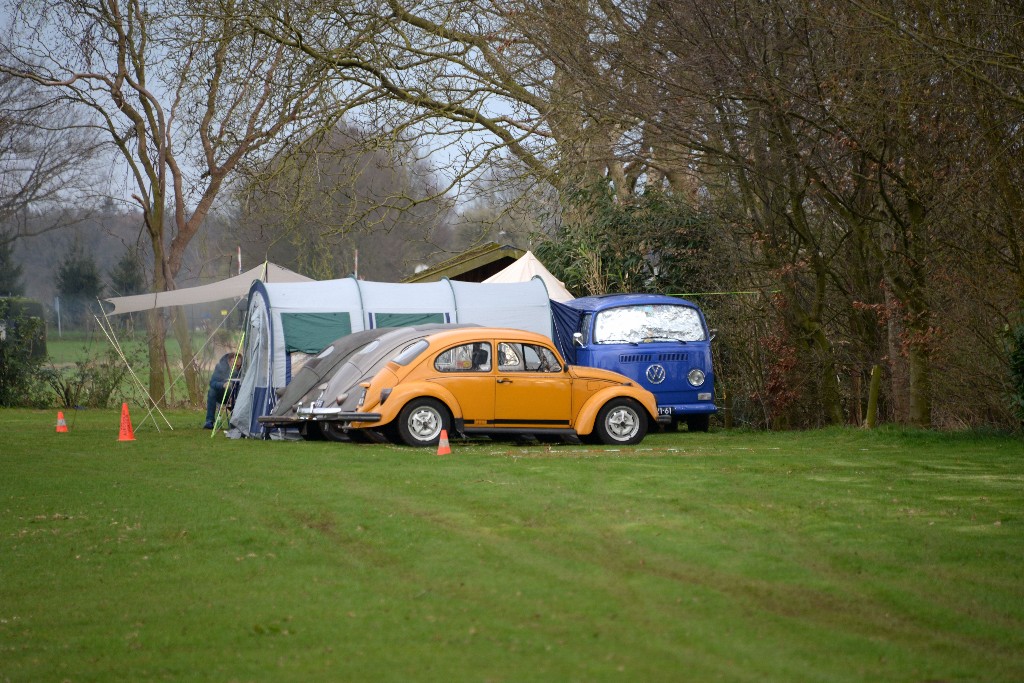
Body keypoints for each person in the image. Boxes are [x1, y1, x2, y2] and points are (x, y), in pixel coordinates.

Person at [204, 352, 242, 429]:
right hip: (222, 395)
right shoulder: (220, 367)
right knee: (211, 392)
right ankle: (209, 421)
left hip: (237, 396)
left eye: (239, 365)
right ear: (229, 362)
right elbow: (212, 383)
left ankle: (236, 422)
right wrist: (223, 385)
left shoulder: (243, 369)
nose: (237, 368)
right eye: (235, 365)